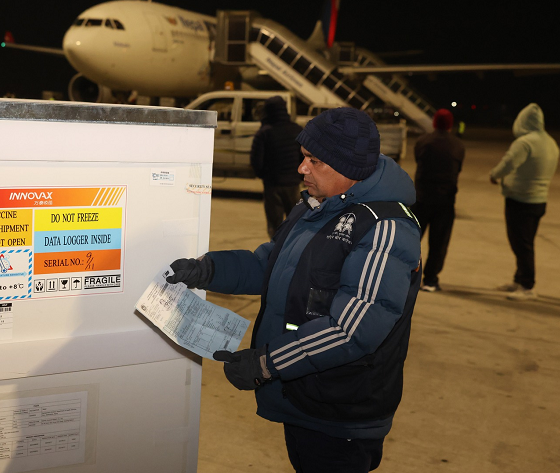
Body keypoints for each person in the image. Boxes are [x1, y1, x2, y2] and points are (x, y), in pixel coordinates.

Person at [167, 108, 422, 472]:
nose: (302, 169)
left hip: (341, 411)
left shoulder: (386, 229)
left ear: (347, 166)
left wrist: (268, 363)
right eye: (304, 157)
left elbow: (352, 330)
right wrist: (207, 270)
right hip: (304, 395)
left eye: (314, 161)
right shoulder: (315, 206)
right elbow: (268, 265)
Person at [489, 103, 559, 301]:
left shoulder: (525, 143)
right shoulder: (550, 142)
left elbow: (509, 162)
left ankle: (527, 285)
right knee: (525, 242)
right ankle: (519, 279)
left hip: (521, 199)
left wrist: (494, 175)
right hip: (539, 200)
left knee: (521, 244)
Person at [411, 108, 465, 292]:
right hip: (445, 200)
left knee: (412, 239)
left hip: (422, 198)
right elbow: (458, 168)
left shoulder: (423, 141)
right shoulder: (458, 145)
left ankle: (407, 275)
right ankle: (431, 280)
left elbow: (418, 159)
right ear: (450, 124)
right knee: (439, 242)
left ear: (434, 123)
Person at [250, 96, 303, 237]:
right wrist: (300, 176)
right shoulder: (297, 130)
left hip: (273, 185)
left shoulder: (264, 133)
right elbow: (305, 157)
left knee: (275, 225)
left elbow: (256, 161)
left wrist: (264, 175)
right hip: (293, 184)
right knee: (295, 223)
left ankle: (276, 249)